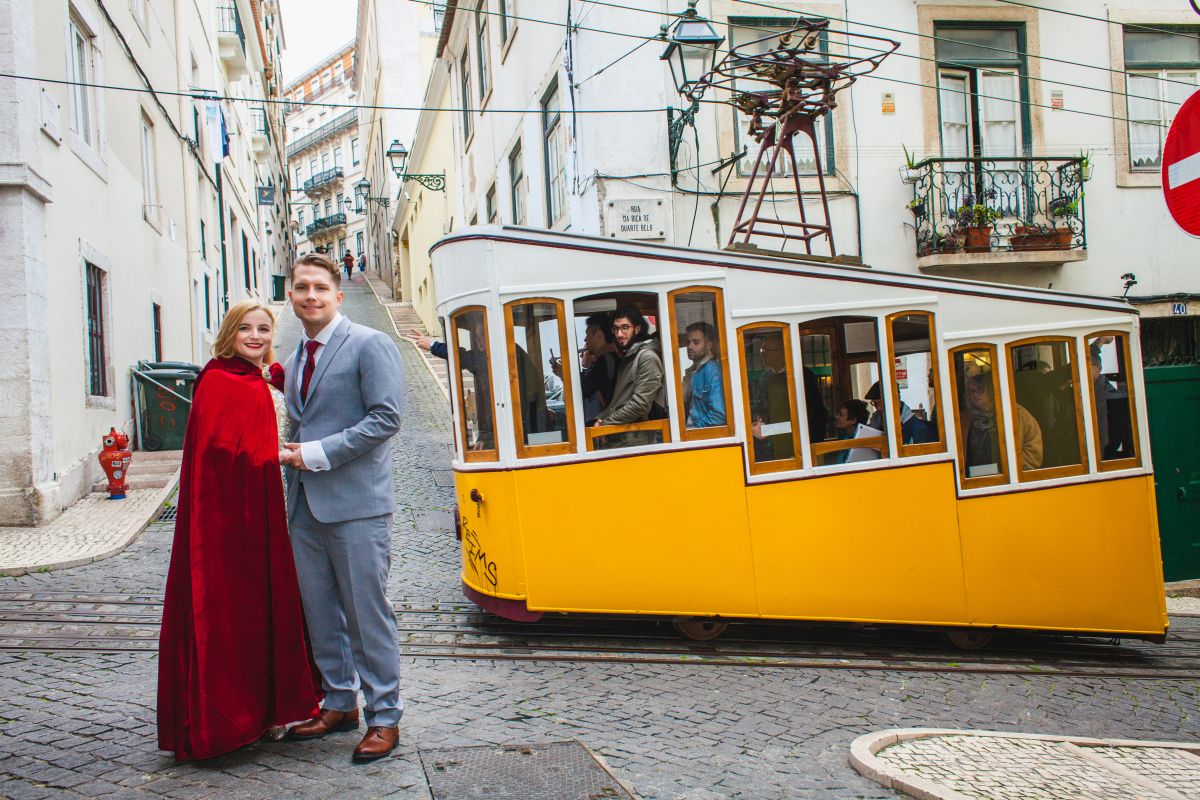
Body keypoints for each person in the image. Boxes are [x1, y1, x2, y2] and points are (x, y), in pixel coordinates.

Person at [157, 301, 321, 762]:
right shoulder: (220, 382)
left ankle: (264, 710)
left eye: (263, 329)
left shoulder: (253, 377)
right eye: (244, 328)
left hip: (265, 515)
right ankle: (232, 718)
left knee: (262, 612)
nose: (254, 335)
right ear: (229, 332)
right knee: (231, 618)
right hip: (231, 525)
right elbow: (223, 458)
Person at [279, 253, 406, 762]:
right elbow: (300, 423)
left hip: (356, 506)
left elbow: (386, 418)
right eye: (301, 287)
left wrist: (314, 454)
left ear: (338, 294)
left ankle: (384, 717)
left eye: (320, 288)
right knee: (318, 613)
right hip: (304, 505)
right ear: (290, 294)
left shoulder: (370, 344)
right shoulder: (293, 360)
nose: (310, 296)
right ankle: (338, 702)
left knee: (366, 613)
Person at [593, 308, 665, 444]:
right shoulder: (631, 355)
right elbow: (620, 400)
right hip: (625, 436)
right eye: (615, 329)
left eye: (625, 328)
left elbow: (640, 404)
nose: (619, 334)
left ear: (637, 329)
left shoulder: (647, 357)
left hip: (635, 438)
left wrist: (606, 423)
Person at [964, 371, 1043, 472]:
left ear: (992, 390)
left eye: (980, 389)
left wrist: (1008, 469)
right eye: (971, 391)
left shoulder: (1017, 414)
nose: (975, 394)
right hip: (975, 478)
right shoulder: (964, 418)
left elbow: (1034, 450)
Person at [750, 334, 794, 461]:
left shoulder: (799, 375)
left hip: (794, 442)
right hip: (770, 442)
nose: (763, 354)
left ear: (781, 351)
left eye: (767, 351)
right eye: (761, 350)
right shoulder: (765, 377)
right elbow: (761, 407)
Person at [682, 321, 726, 429]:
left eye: (696, 342)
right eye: (688, 342)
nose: (690, 346)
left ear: (709, 345)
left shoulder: (712, 370)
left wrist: (695, 431)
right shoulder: (693, 371)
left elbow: (719, 415)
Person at [829, 398, 871, 464]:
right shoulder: (844, 436)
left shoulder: (861, 442)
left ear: (853, 420)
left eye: (841, 415)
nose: (836, 417)